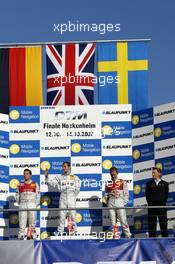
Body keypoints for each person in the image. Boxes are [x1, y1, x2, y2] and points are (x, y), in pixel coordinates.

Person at [45, 161, 80, 235]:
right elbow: (51, 183)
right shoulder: (59, 176)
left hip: (71, 196)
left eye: (65, 166)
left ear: (69, 167)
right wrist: (46, 177)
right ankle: (60, 231)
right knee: (62, 215)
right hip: (63, 195)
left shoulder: (75, 177)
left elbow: (77, 189)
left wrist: (73, 195)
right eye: (63, 166)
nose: (63, 168)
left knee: (73, 214)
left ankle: (74, 231)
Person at [105, 166, 131, 238]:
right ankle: (115, 235)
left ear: (117, 173)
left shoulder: (122, 181)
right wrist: (108, 202)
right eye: (111, 174)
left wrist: (123, 202)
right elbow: (106, 194)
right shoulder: (108, 182)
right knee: (113, 221)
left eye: (114, 174)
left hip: (119, 201)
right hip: (111, 202)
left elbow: (126, 193)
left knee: (123, 219)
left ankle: (128, 234)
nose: (113, 176)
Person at [16, 169, 40, 240]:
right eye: (24, 174)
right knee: (22, 223)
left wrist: (35, 205)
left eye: (27, 174)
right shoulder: (20, 184)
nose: (25, 175)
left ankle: (32, 237)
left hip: (32, 204)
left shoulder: (35, 183)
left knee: (32, 223)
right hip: (23, 204)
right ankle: (21, 237)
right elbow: (17, 195)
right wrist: (20, 204)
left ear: (30, 175)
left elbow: (38, 195)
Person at [146, 167, 169, 237]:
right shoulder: (149, 184)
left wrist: (161, 204)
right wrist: (151, 205)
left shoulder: (165, 184)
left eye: (154, 173)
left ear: (159, 173)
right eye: (152, 173)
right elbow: (147, 196)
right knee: (152, 225)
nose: (153, 174)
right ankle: (152, 241)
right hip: (152, 208)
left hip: (162, 207)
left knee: (163, 224)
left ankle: (165, 241)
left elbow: (166, 196)